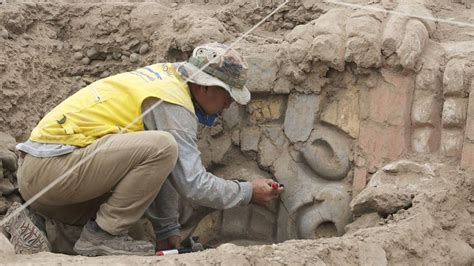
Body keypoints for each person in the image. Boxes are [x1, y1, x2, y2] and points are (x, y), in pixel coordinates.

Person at [5, 42, 284, 256]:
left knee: (136, 234)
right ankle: (100, 236)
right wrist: (247, 192)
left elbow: (155, 170)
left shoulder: (169, 79)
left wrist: (167, 232)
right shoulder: (172, 103)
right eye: (227, 96)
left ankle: (39, 225)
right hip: (50, 170)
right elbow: (192, 184)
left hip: (50, 181)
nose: (228, 106)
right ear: (205, 87)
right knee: (162, 148)